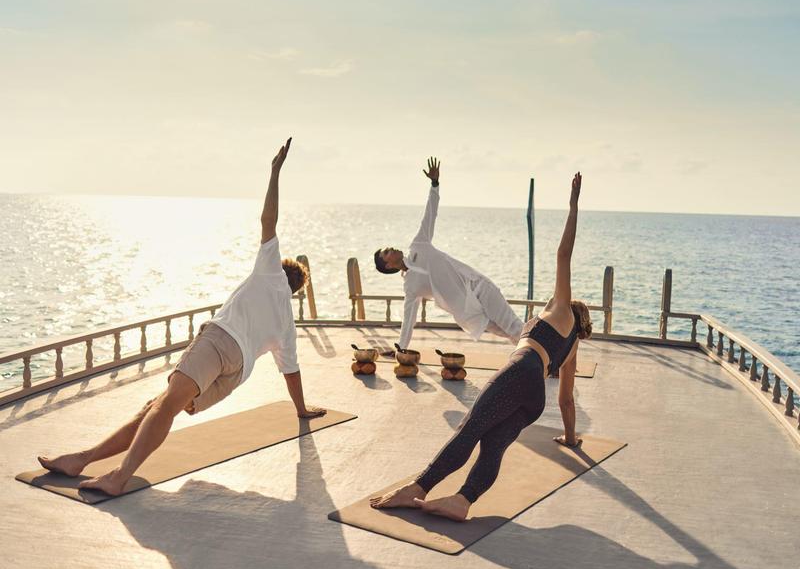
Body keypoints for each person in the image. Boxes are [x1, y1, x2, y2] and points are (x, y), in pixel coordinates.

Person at [37, 138, 326, 495]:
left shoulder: (269, 271)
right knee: (158, 406)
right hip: (235, 373)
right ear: (297, 290)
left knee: (165, 406)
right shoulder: (286, 320)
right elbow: (291, 371)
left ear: (282, 269)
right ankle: (81, 459)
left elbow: (268, 219)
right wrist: (301, 410)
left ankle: (118, 477)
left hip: (220, 342)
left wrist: (274, 171)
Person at [370, 172, 592, 521]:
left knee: (472, 428)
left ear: (569, 306)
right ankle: (463, 500)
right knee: (493, 446)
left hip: (521, 370)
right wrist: (570, 439)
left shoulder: (560, 309)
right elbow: (565, 400)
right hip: (536, 400)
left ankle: (419, 487)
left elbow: (564, 254)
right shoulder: (572, 344)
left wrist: (573, 205)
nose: (553, 297)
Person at [374, 157, 523, 352]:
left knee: (514, 327)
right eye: (387, 252)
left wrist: (434, 184)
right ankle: (540, 363)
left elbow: (430, 214)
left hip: (477, 286)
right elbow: (409, 317)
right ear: (388, 265)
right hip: (470, 314)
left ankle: (549, 361)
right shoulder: (411, 287)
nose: (392, 248)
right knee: (509, 334)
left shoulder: (419, 244)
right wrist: (401, 347)